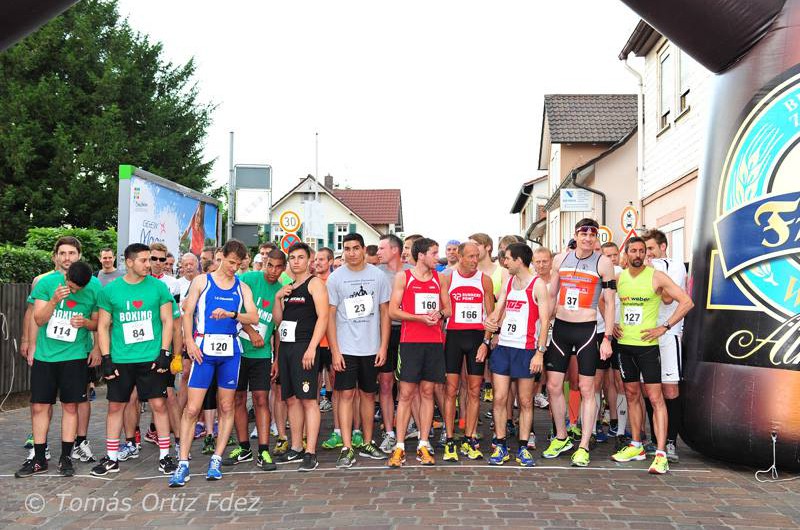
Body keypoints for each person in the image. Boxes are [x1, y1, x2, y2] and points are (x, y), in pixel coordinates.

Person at [169, 239, 259, 486]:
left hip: (230, 351)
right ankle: (183, 462)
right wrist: (190, 343)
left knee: (227, 406)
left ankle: (216, 459)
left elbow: (254, 316)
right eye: (231, 262)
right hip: (203, 350)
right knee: (192, 408)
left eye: (238, 264)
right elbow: (187, 312)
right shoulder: (202, 281)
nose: (234, 268)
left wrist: (232, 314)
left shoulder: (242, 288)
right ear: (221, 258)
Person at [91, 243, 176, 477]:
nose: (149, 265)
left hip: (150, 358)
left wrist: (164, 353)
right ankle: (111, 458)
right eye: (144, 260)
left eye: (150, 260)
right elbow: (103, 325)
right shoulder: (110, 291)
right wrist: (106, 358)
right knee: (116, 405)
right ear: (129, 262)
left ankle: (165, 456)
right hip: (121, 358)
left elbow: (168, 321)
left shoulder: (158, 287)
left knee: (159, 404)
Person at [610, 237, 693, 474]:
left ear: (646, 254)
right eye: (633, 250)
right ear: (626, 253)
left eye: (641, 251)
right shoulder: (619, 277)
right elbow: (603, 300)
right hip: (625, 345)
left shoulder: (656, 275)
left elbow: (686, 301)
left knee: (655, 398)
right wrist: (612, 324)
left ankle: (660, 453)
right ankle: (636, 444)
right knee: (632, 394)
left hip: (648, 346)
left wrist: (664, 327)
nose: (637, 254)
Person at [16, 260, 102, 478]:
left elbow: (98, 323)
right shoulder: (47, 283)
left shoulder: (95, 288)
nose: (73, 291)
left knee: (71, 406)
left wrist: (85, 324)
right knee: (39, 406)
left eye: (77, 290)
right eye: (71, 287)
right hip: (46, 355)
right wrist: (54, 300)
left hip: (74, 356)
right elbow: (38, 318)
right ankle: (38, 458)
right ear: (66, 276)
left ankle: (66, 457)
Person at [542, 218, 616, 468]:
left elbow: (610, 302)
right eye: (583, 234)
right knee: (553, 386)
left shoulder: (603, 263)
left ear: (596, 238)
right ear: (576, 235)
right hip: (562, 327)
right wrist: (544, 327)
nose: (587, 239)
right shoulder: (560, 260)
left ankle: (583, 444)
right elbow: (552, 295)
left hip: (587, 329)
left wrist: (607, 339)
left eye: (592, 235)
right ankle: (562, 436)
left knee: (587, 388)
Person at [482, 243, 550, 467]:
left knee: (525, 400)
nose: (505, 262)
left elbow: (545, 321)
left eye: (508, 258)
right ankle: (500, 445)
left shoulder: (538, 285)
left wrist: (539, 353)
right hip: (504, 348)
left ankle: (523, 447)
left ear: (519, 260)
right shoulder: (509, 282)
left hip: (526, 349)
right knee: (500, 398)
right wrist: (490, 322)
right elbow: (499, 308)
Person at [327, 233, 391, 467]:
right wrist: (335, 350)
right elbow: (330, 317)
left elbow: (385, 312)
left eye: (356, 248)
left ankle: (366, 441)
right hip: (345, 348)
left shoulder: (378, 276)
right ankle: (346, 446)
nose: (351, 253)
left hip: (371, 347)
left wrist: (383, 346)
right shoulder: (335, 278)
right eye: (347, 248)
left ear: (364, 250)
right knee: (345, 395)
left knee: (367, 395)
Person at [222, 249, 288, 471]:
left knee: (261, 398)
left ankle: (263, 450)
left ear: (283, 268)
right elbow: (233, 310)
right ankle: (243, 447)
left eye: (279, 267)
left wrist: (276, 359)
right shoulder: (248, 279)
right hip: (238, 350)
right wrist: (250, 331)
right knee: (238, 399)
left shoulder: (281, 291)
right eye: (270, 265)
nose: (273, 271)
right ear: (264, 263)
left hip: (261, 355)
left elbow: (279, 329)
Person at [387, 238, 451, 468]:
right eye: (434, 253)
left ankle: (424, 444)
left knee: (428, 392)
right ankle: (400, 447)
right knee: (405, 394)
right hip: (410, 342)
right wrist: (419, 318)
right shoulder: (404, 277)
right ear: (421, 255)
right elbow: (393, 311)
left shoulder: (440, 278)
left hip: (434, 342)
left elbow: (448, 308)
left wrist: (440, 315)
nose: (437, 257)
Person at [273, 242, 330, 472]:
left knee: (308, 400)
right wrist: (278, 298)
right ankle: (296, 447)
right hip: (286, 348)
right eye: (292, 257)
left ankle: (310, 452)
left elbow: (324, 317)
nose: (295, 261)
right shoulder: (288, 287)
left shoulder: (314, 284)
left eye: (300, 257)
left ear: (309, 260)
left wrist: (312, 348)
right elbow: (279, 322)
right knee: (291, 399)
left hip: (305, 347)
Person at [440, 242, 494, 461]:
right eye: (470, 256)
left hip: (475, 338)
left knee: (474, 390)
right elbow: (441, 307)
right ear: (459, 256)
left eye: (477, 256)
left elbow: (490, 316)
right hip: (453, 337)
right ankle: (450, 439)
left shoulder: (484, 280)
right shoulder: (448, 278)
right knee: (451, 390)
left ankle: (470, 438)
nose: (474, 260)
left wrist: (486, 342)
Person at [642, 229, 688, 462]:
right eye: (644, 249)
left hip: (669, 334)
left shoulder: (674, 265)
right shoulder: (644, 269)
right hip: (646, 334)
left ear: (663, 247)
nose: (647, 253)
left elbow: (668, 298)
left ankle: (670, 442)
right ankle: (654, 439)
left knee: (670, 390)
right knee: (649, 390)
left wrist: (653, 271)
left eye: (651, 248)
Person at [375, 234, 407, 453]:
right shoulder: (376, 275)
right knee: (386, 384)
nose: (378, 252)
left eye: (381, 248)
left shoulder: (412, 271)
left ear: (394, 250)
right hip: (384, 332)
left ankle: (409, 426)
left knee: (408, 385)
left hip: (409, 331)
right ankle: (389, 432)